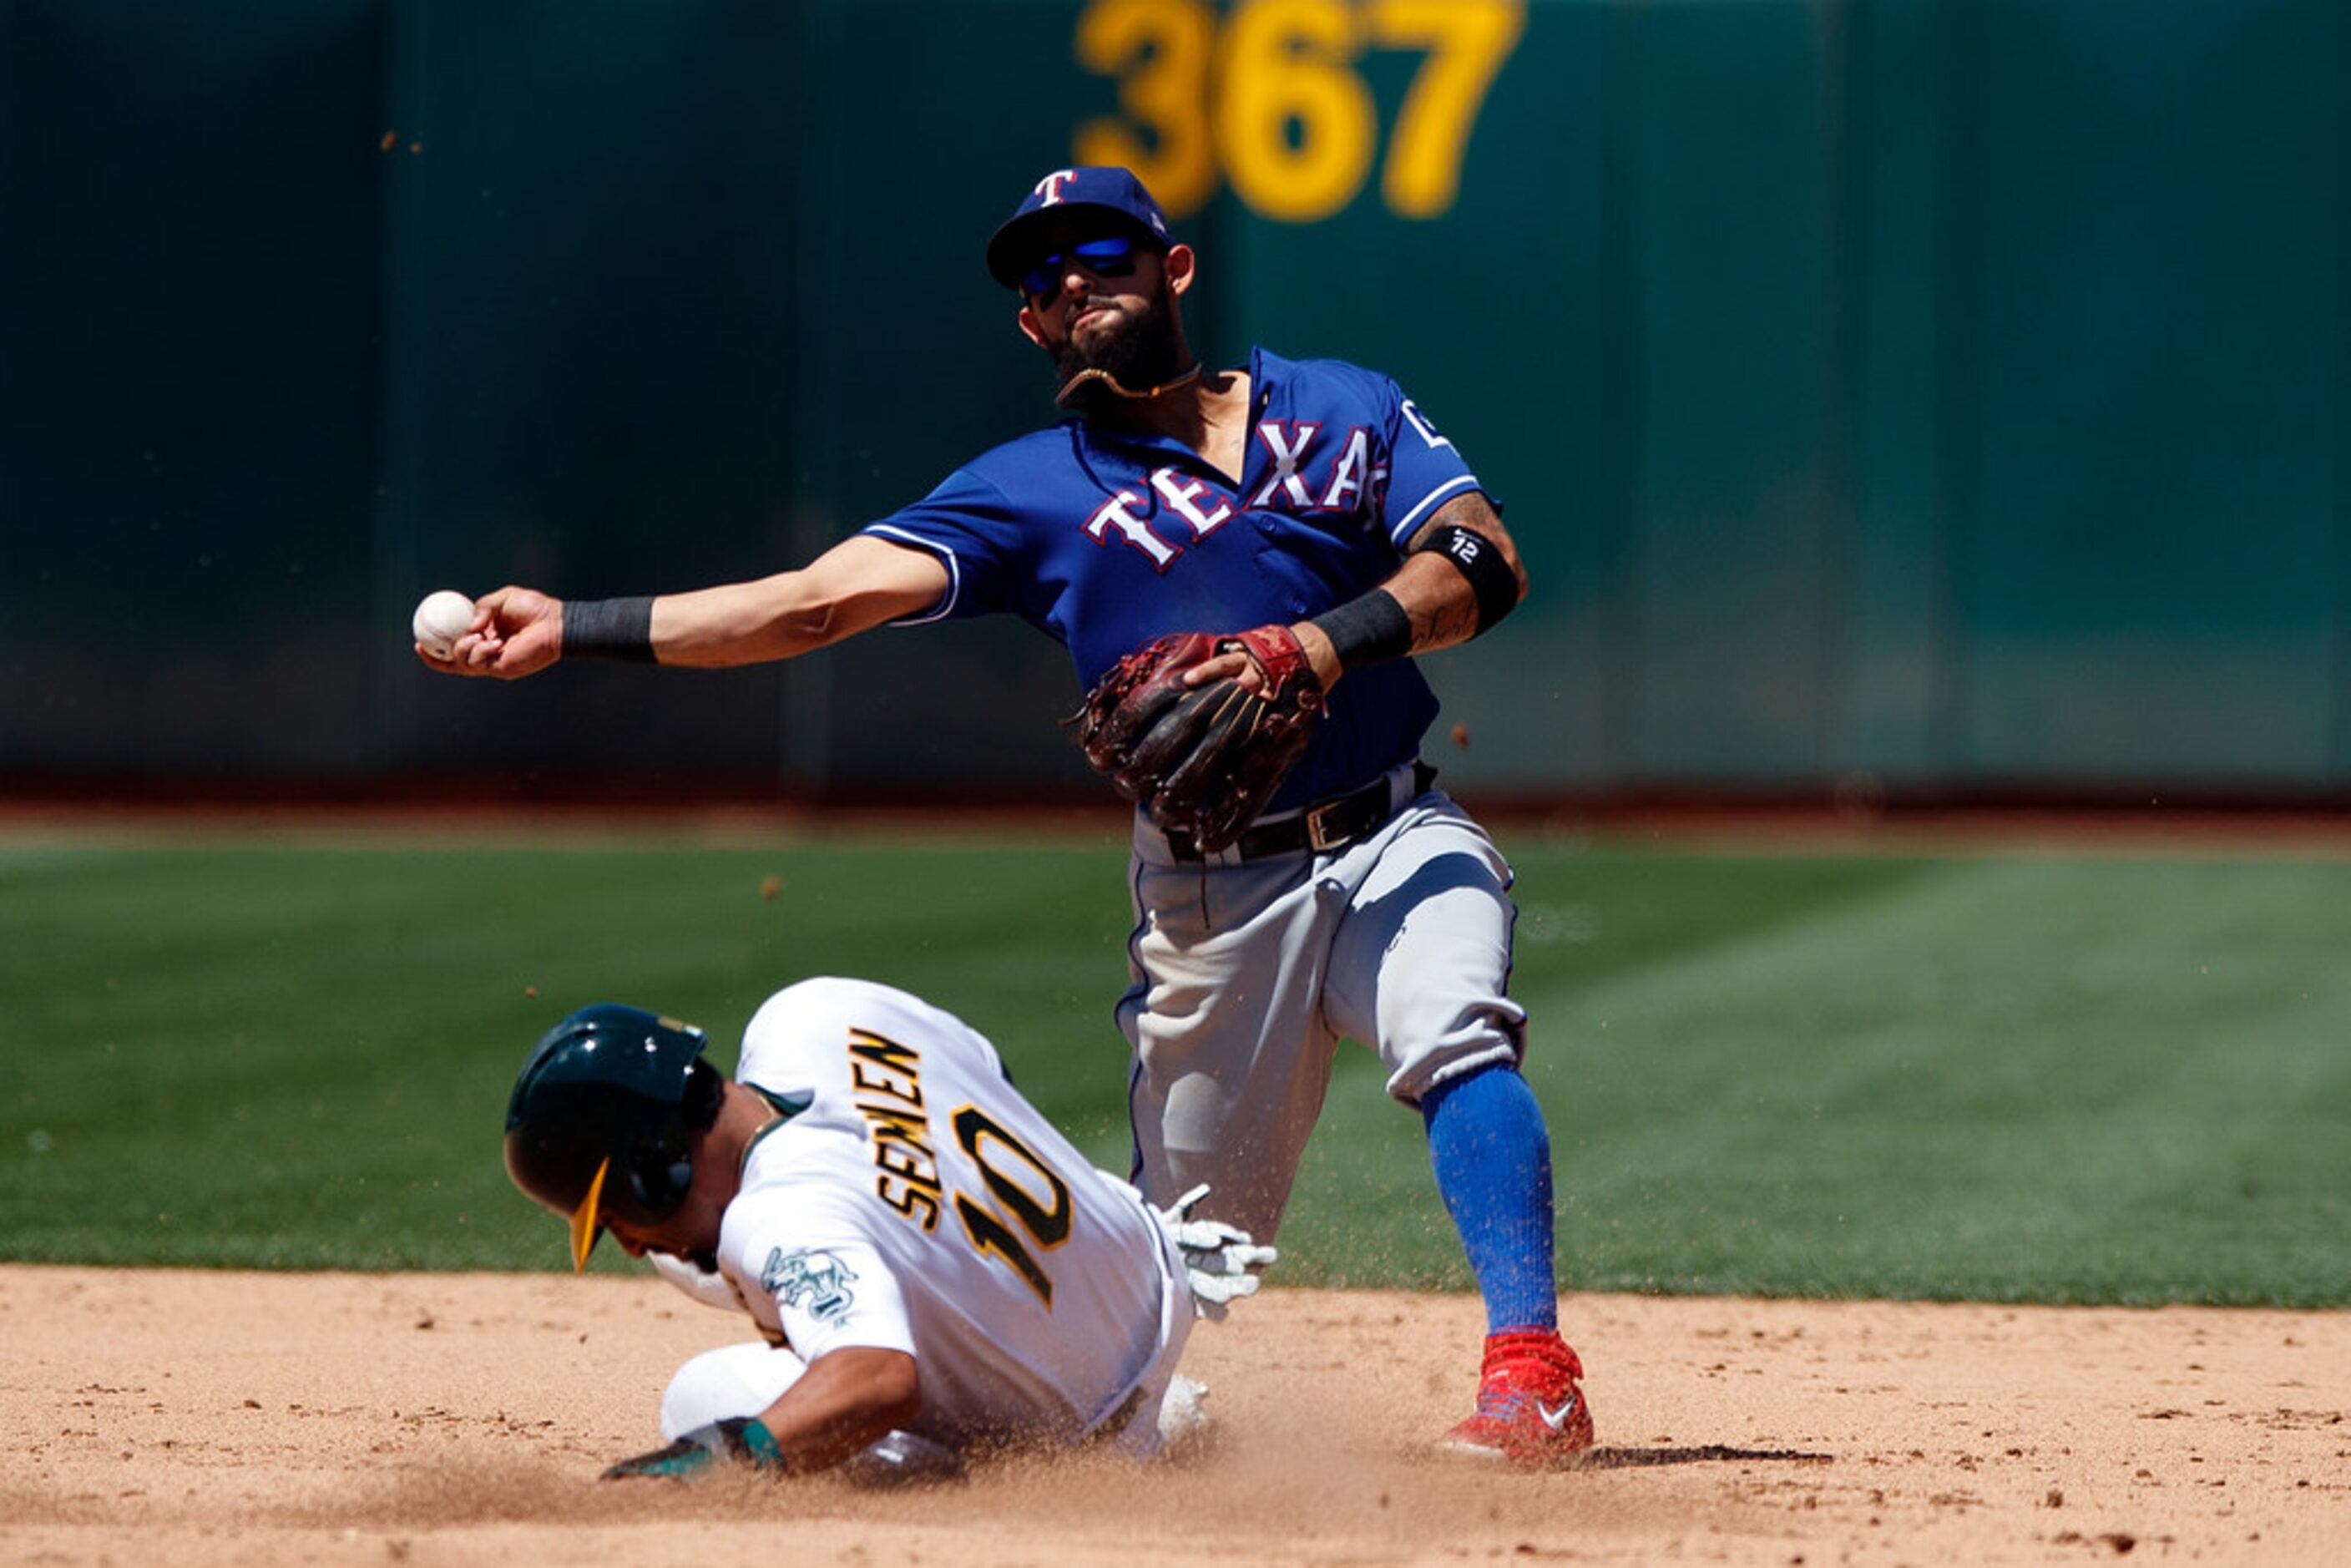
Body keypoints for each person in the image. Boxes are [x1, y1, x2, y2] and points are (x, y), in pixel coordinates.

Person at [436, 164, 1593, 1464]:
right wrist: (576, 629)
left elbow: (1482, 559)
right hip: (1211, 903)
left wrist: (1311, 650)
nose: (1072, 282)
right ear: (1031, 327)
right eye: (1042, 279)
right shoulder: (1032, 490)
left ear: (1176, 266)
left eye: (1100, 251)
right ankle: (1062, 1431)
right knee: (1176, 1270)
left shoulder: (1343, 409)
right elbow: (815, 600)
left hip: (1393, 829)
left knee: (1454, 1038)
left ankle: (1531, 1374)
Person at [502, 975, 1273, 1480]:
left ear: (653, 1161)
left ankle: (1043, 1462)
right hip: (1144, 1268)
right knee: (801, 1258)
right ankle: (1152, 1390)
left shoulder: (778, 1216)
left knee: (698, 1398)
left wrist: (714, 1463)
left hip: (1079, 1437)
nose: (632, 1244)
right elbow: (985, 1072)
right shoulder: (809, 1012)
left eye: (619, 1217)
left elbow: (878, 1379)